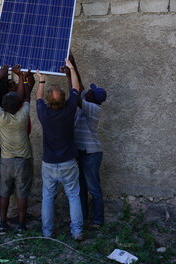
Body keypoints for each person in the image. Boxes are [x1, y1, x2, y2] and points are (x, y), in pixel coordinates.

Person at [36, 59, 84, 241]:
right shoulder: (69, 110)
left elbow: (38, 98)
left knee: (47, 198)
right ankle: (77, 232)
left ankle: (47, 233)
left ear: (49, 101)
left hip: (49, 163)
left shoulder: (43, 113)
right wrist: (71, 68)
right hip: (68, 162)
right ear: (64, 99)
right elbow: (76, 89)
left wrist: (41, 80)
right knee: (73, 196)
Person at [0, 65, 34, 235]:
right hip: (23, 160)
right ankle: (21, 225)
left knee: (4, 194)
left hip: (6, 161)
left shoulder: (0, 117)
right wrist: (22, 77)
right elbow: (26, 96)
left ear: (3, 106)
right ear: (18, 106)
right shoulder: (23, 115)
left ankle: (3, 224)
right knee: (22, 194)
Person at [70, 54, 107, 229]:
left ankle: (98, 220)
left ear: (93, 98)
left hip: (91, 154)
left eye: (91, 92)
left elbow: (75, 94)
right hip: (83, 152)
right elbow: (79, 86)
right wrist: (72, 64)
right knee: (82, 188)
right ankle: (84, 217)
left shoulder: (92, 108)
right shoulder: (88, 100)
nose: (88, 91)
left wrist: (70, 74)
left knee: (93, 188)